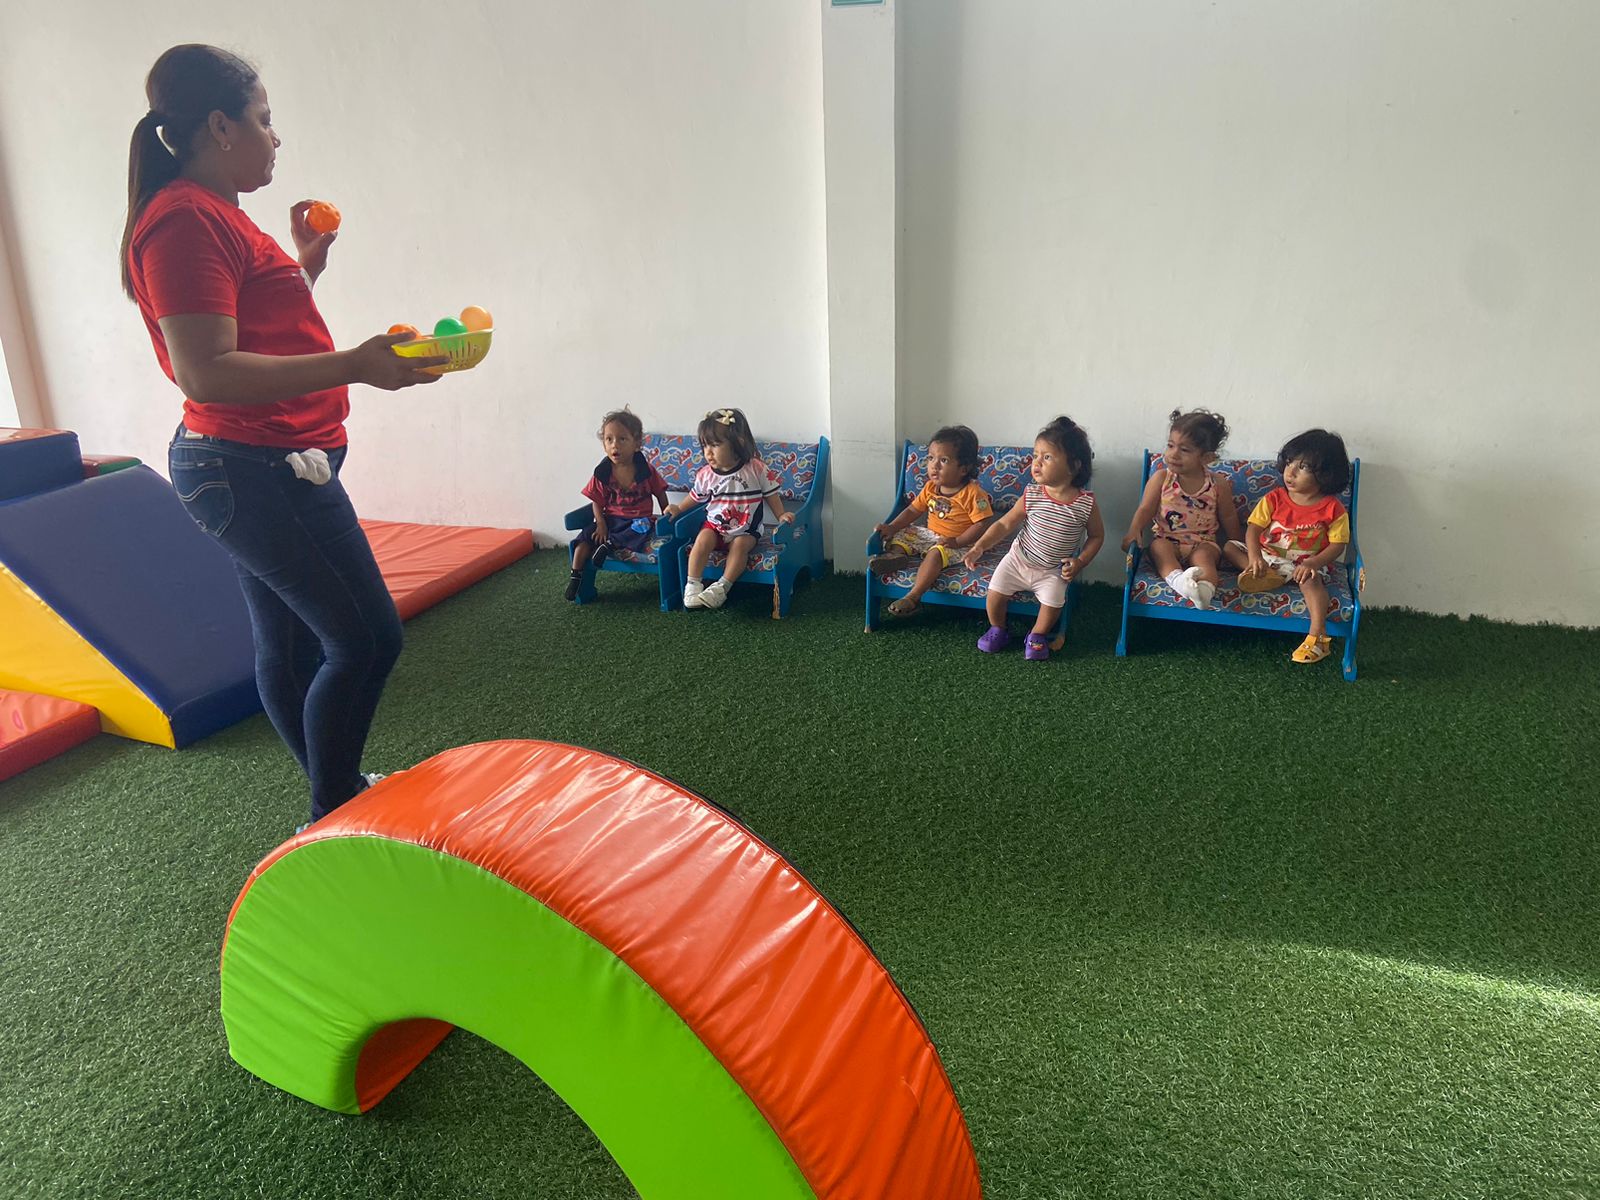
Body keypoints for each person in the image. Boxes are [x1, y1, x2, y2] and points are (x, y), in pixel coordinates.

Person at [121, 45, 448, 829]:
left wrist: (307, 264)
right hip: (251, 468)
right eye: (265, 121)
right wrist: (357, 364)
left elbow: (254, 320)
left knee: (294, 647)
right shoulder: (184, 221)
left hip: (263, 462)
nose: (275, 138)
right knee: (367, 640)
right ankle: (333, 806)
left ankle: (335, 803)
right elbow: (206, 370)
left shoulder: (215, 213)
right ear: (220, 126)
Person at [963, 417, 1104, 661]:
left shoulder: (1085, 503)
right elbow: (1005, 524)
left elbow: (1097, 536)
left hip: (1053, 570)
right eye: (1035, 455)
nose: (1036, 462)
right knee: (994, 593)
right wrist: (979, 547)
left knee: (1053, 603)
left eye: (1046, 457)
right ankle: (998, 629)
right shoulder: (1032, 494)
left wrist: (1080, 561)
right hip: (1018, 560)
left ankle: (1037, 634)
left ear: (1073, 466)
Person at [1223, 429, 1352, 664]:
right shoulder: (1274, 498)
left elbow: (1338, 545)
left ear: (1325, 474)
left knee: (1312, 581)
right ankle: (1263, 574)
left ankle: (1318, 636)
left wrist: (1314, 562)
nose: (1290, 472)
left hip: (1305, 565)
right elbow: (1253, 530)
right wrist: (1255, 557)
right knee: (1230, 548)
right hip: (1269, 558)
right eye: (1289, 462)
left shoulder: (1333, 509)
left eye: (1303, 467)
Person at [661, 408, 793, 610]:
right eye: (705, 445)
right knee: (701, 540)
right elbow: (696, 497)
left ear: (738, 442)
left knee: (740, 547)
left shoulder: (755, 468)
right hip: (715, 527)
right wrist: (679, 508)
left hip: (746, 530)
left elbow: (771, 495)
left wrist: (781, 514)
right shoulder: (706, 474)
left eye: (715, 445)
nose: (708, 452)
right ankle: (693, 586)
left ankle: (722, 587)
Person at [1119, 409, 1244, 609]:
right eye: (1170, 445)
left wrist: (1238, 545)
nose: (1173, 454)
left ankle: (1204, 591)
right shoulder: (1162, 478)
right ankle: (1180, 582)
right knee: (1159, 548)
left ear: (1207, 457)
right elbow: (1145, 509)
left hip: (1204, 542)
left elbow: (1228, 516)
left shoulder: (1217, 483)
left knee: (1204, 558)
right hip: (1167, 540)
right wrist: (1134, 531)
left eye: (1184, 450)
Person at [868, 425, 994, 617]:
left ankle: (913, 597)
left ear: (964, 468)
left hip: (957, 542)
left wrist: (958, 541)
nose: (934, 465)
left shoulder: (973, 493)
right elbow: (913, 510)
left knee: (935, 554)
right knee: (902, 533)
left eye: (944, 460)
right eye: (931, 458)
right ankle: (895, 556)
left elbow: (982, 523)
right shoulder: (930, 488)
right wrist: (892, 527)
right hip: (929, 535)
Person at [565, 407, 671, 601]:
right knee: (585, 537)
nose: (615, 445)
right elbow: (596, 501)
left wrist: (667, 516)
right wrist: (601, 524)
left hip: (638, 520)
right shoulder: (603, 472)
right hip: (611, 519)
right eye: (609, 439)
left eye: (622, 439)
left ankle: (608, 545)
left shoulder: (645, 470)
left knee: (640, 531)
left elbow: (660, 494)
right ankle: (576, 576)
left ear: (636, 444)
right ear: (604, 445)